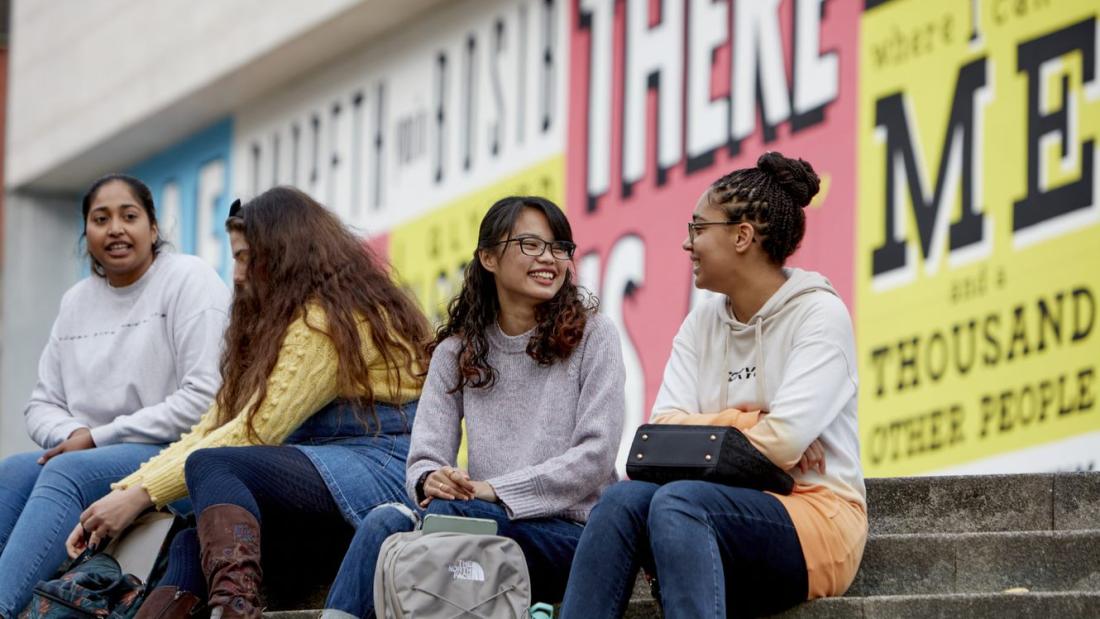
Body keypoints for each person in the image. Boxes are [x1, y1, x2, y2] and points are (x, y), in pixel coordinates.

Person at [67, 187, 431, 619]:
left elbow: (252, 433)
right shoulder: (276, 323)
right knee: (190, 538)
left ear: (283, 255)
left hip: (381, 470)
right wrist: (124, 493)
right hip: (321, 470)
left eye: (244, 257)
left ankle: (236, 611)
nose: (236, 274)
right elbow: (210, 428)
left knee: (212, 465)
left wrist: (141, 496)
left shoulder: (326, 320)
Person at [560, 152, 866, 618]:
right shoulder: (701, 323)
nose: (688, 245)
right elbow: (662, 433)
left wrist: (724, 435)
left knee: (678, 503)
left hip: (817, 518)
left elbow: (782, 445)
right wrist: (751, 423)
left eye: (698, 229)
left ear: (743, 236)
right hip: (713, 514)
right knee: (622, 500)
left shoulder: (818, 315)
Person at [319, 196, 626, 618]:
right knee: (384, 521)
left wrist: (494, 490)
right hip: (473, 524)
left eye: (559, 247)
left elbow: (595, 458)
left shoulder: (595, 336)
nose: (549, 258)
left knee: (443, 525)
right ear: (488, 258)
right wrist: (433, 480)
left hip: (572, 536)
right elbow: (424, 458)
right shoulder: (455, 351)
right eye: (531, 245)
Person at [0, 174, 229, 618]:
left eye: (130, 216)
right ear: (87, 234)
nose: (116, 229)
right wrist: (77, 432)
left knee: (66, 471)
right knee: (12, 471)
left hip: (174, 455)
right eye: (101, 219)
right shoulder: (76, 302)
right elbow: (41, 404)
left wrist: (98, 438)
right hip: (93, 452)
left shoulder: (188, 278)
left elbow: (204, 400)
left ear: (154, 227)